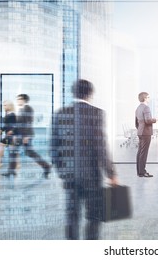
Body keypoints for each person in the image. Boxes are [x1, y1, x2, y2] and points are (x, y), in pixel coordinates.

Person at [50, 79, 118, 240]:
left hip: (69, 174)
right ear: (90, 94)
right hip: (91, 175)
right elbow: (100, 146)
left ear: (73, 93)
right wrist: (111, 173)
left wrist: (62, 171)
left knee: (72, 215)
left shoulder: (60, 113)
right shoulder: (96, 113)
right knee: (94, 215)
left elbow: (54, 146)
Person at [2, 94, 51, 178]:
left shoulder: (28, 109)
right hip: (20, 135)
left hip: (25, 135)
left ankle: (46, 166)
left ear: (24, 100)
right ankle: (11, 171)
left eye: (19, 99)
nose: (17, 101)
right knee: (14, 152)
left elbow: (28, 123)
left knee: (29, 153)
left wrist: (26, 136)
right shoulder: (21, 110)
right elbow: (19, 124)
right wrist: (12, 131)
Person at [135, 92, 158, 178]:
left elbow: (136, 123)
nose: (149, 99)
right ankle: (142, 172)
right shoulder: (146, 108)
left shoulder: (138, 108)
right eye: (148, 97)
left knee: (140, 152)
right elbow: (148, 120)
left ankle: (139, 172)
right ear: (145, 98)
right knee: (144, 153)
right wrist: (156, 119)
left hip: (140, 132)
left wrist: (140, 129)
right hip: (146, 133)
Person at [0, 100, 17, 171]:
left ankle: (0, 164)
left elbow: (14, 125)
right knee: (3, 146)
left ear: (9, 106)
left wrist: (0, 131)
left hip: (11, 135)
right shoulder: (8, 114)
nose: (3, 107)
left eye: (5, 105)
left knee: (10, 150)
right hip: (9, 135)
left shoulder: (12, 114)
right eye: (3, 105)